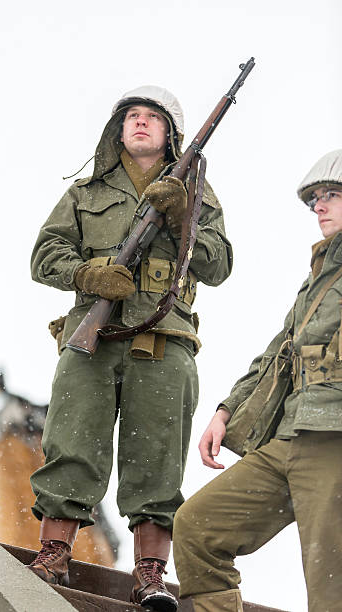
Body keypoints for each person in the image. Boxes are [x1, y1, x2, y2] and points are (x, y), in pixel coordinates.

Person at [27, 85, 233, 611]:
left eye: (152, 118)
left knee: (157, 459)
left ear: (170, 134)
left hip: (164, 343)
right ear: (118, 129)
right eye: (131, 117)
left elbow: (217, 265)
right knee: (72, 442)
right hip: (91, 343)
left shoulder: (198, 196)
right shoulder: (85, 193)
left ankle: (149, 574)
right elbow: (44, 255)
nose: (140, 124)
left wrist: (183, 215)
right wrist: (87, 273)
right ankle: (54, 553)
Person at [173, 149, 342, 612]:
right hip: (290, 436)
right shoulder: (320, 277)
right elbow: (278, 352)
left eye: (330, 195)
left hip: (335, 440)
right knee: (197, 528)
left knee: (332, 587)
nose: (319, 207)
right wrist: (227, 410)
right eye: (315, 199)